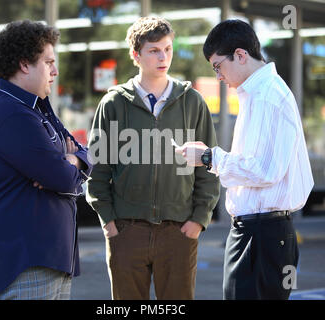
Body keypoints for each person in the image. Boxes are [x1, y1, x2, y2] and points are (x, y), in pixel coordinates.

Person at [176, 19, 314, 300]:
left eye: (217, 66)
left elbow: (264, 170)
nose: (218, 76)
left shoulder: (266, 96)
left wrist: (207, 156)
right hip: (261, 232)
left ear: (240, 55)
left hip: (262, 234)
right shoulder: (258, 93)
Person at [86, 16, 220, 300]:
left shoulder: (192, 101)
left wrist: (198, 220)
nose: (163, 57)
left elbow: (208, 166)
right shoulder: (113, 104)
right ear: (136, 54)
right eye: (154, 50)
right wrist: (109, 222)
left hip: (179, 231)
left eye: (168, 49)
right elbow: (98, 169)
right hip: (126, 230)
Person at [0, 20, 92, 300]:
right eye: (48, 62)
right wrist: (67, 165)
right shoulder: (11, 115)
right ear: (25, 65)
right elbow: (62, 179)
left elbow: (83, 155)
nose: (55, 71)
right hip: (26, 265)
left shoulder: (36, 108)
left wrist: (72, 160)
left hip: (50, 261)